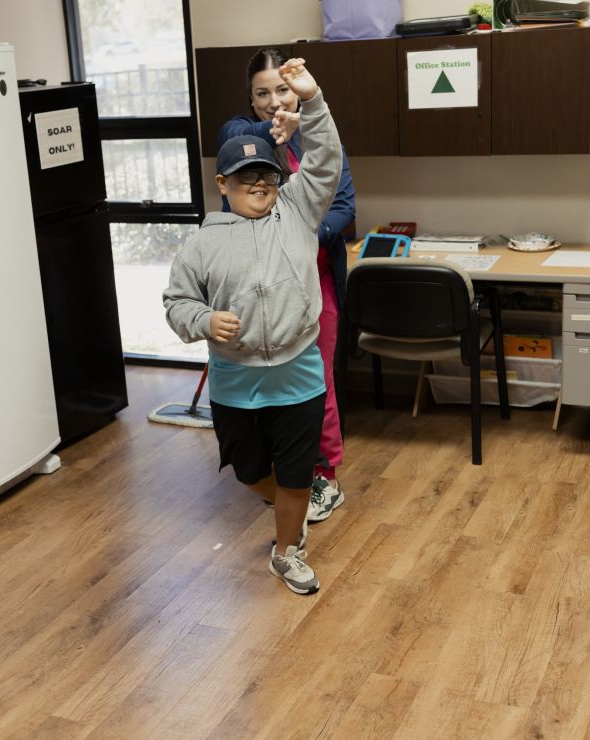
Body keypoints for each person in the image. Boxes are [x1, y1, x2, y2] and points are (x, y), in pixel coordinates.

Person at [163, 58, 342, 595]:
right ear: (224, 184)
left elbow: (327, 160)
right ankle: (296, 506)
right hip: (236, 381)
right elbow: (176, 302)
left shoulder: (298, 212)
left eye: (267, 174)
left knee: (292, 473)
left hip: (298, 374)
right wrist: (202, 319)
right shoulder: (202, 243)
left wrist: (313, 101)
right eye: (246, 177)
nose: (259, 184)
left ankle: (287, 550)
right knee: (247, 472)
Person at [217, 48, 353, 525]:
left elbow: (342, 201)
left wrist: (300, 233)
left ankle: (324, 475)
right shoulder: (242, 133)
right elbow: (238, 136)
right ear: (250, 97)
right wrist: (282, 125)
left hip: (314, 277)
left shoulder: (318, 137)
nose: (274, 100)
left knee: (317, 381)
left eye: (281, 89)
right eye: (262, 93)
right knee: (265, 384)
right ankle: (282, 476)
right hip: (258, 287)